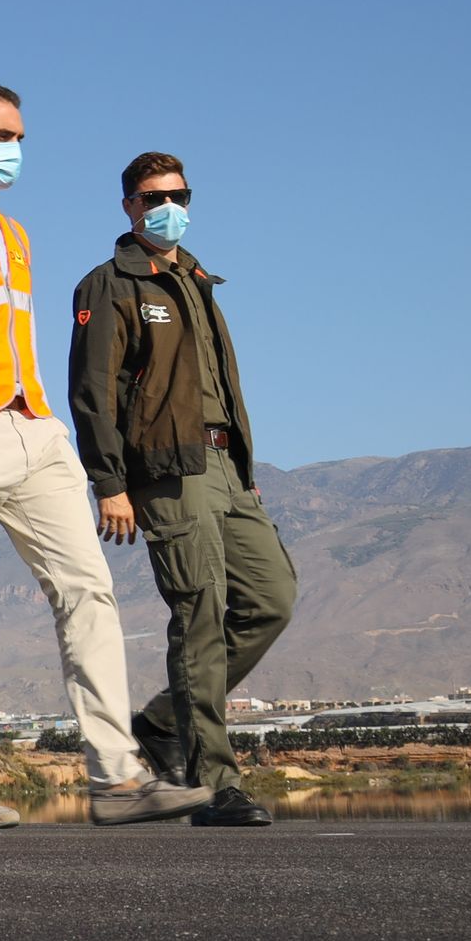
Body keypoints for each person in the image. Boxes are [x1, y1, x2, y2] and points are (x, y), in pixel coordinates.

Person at [0, 83, 211, 829]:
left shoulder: (14, 233)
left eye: (19, 135)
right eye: (3, 134)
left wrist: (55, 433)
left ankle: (116, 778)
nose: (16, 149)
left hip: (32, 428)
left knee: (89, 590)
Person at [69, 151, 297, 827]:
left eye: (177, 193)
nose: (166, 206)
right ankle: (213, 781)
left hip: (228, 468)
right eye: (150, 197)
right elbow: (93, 389)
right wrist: (109, 481)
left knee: (272, 598)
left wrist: (246, 474)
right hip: (169, 470)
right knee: (200, 613)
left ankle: (167, 719)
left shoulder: (198, 279)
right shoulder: (110, 285)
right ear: (129, 207)